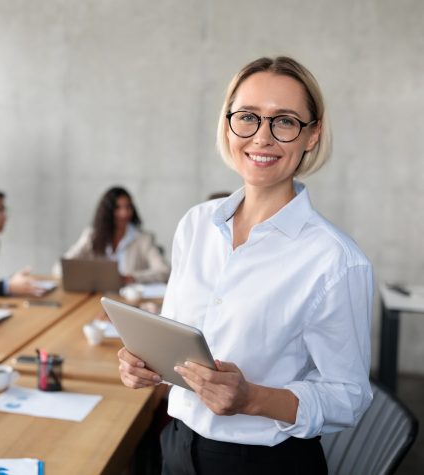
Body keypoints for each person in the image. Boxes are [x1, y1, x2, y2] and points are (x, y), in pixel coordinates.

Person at [118, 56, 373, 474]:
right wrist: (143, 364)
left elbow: (348, 396)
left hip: (263, 462)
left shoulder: (336, 260)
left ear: (312, 135)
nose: (262, 137)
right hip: (177, 445)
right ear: (228, 123)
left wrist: (252, 398)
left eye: (285, 121)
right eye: (248, 117)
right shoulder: (196, 224)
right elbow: (177, 340)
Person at [55, 186, 170, 284]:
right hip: (96, 298)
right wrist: (85, 277)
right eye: (118, 208)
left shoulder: (143, 239)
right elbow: (59, 268)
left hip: (129, 299)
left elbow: (164, 271)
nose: (124, 213)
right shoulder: (92, 235)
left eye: (128, 207)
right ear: (107, 212)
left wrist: (132, 277)